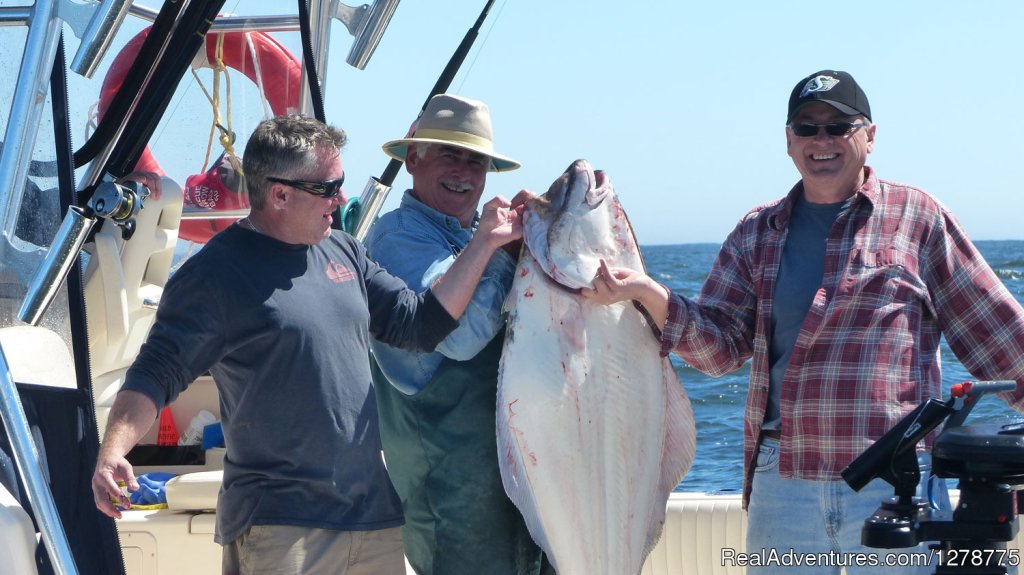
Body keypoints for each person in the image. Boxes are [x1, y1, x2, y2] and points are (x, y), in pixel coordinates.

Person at [582, 70, 1024, 574]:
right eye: (807, 128)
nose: (822, 141)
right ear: (789, 141)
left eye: (838, 126)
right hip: (783, 486)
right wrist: (648, 293)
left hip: (891, 484)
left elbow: (1001, 335)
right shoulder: (756, 231)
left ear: (870, 136)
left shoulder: (919, 218)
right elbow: (721, 348)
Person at [90, 114, 526, 575]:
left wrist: (486, 245)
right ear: (279, 194)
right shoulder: (213, 276)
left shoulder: (346, 251)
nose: (341, 197)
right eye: (328, 187)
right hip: (282, 526)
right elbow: (155, 373)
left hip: (372, 520)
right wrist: (113, 452)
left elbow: (420, 325)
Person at [365, 93, 551, 575]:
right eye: (450, 154)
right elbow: (459, 337)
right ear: (413, 160)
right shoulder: (396, 238)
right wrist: (501, 251)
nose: (464, 172)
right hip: (453, 508)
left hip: (520, 491)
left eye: (477, 161)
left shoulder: (481, 238)